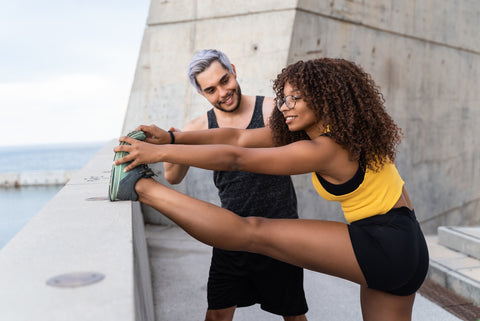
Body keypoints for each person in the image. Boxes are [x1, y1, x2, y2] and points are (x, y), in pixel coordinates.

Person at [110, 57, 429, 321]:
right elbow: (236, 138)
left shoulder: (328, 147)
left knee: (253, 231)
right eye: (283, 97)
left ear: (323, 98)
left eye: (295, 99)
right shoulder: (343, 130)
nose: (285, 106)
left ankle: (140, 186)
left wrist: (159, 154)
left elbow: (236, 158)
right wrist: (172, 138)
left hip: (384, 243)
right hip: (409, 243)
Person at [169, 49, 309, 321]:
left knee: (293, 315)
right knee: (218, 315)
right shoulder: (198, 127)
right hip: (231, 233)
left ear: (233, 70)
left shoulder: (271, 109)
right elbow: (173, 177)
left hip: (280, 231)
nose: (222, 92)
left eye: (224, 81)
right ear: (202, 94)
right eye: (211, 89)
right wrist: (178, 142)